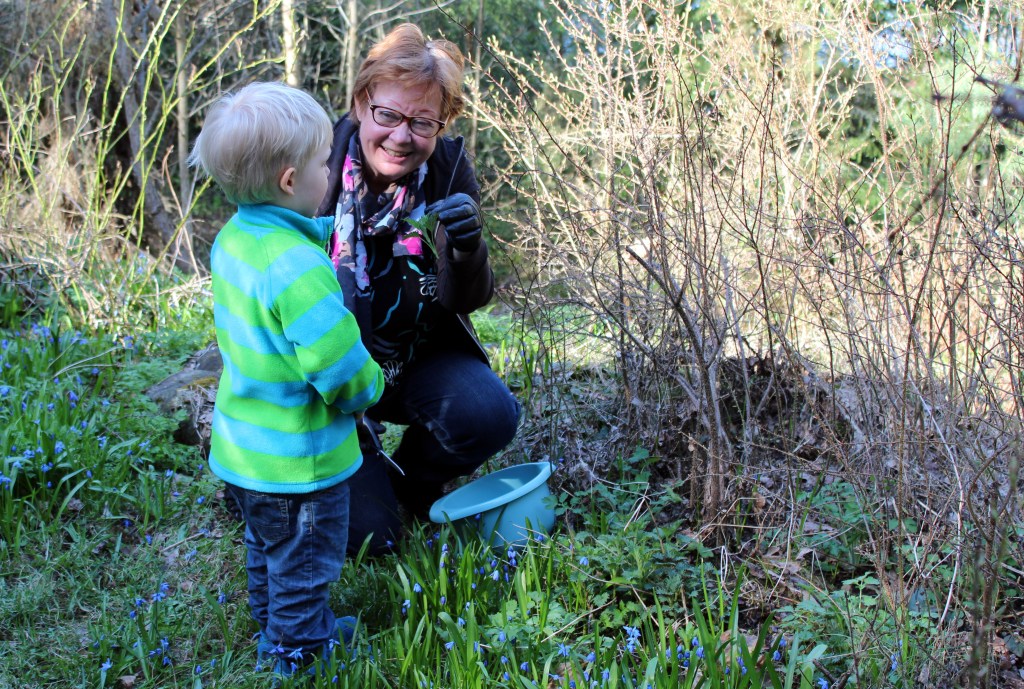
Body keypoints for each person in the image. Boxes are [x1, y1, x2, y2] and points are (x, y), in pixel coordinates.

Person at [188, 81, 385, 677]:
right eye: (324, 162)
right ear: (290, 181)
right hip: (298, 462)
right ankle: (297, 652)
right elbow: (336, 363)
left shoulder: (234, 240)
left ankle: (273, 622)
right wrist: (368, 390)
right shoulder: (298, 267)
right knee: (305, 559)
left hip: (247, 451)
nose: (332, 171)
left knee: (266, 545)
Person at [316, 23, 521, 556]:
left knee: (489, 412)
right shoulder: (318, 163)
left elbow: (466, 299)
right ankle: (355, 464)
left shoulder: (448, 170)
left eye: (422, 122)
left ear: (441, 124)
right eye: (388, 115)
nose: (402, 136)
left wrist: (467, 247)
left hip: (413, 360)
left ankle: (412, 480)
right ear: (362, 102)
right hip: (331, 379)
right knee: (372, 539)